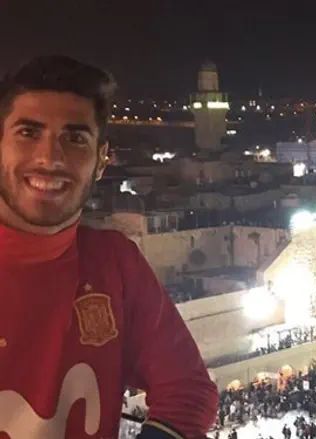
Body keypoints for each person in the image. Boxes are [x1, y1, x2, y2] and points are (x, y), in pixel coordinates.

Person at [0, 56, 218, 438]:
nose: (49, 157)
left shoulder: (114, 264)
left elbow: (187, 389)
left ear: (102, 160)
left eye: (75, 138)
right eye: (28, 132)